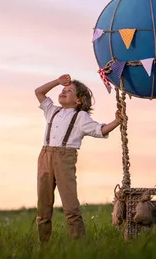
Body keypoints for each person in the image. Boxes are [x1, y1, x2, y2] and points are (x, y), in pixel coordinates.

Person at [34, 73, 121, 243]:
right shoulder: (52, 110)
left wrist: (116, 122)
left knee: (70, 207)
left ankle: (79, 245)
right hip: (45, 156)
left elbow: (99, 130)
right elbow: (39, 92)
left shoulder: (81, 117)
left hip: (65, 158)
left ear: (79, 100)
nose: (63, 91)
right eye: (63, 89)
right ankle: (43, 245)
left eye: (69, 90)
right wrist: (57, 82)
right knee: (43, 206)